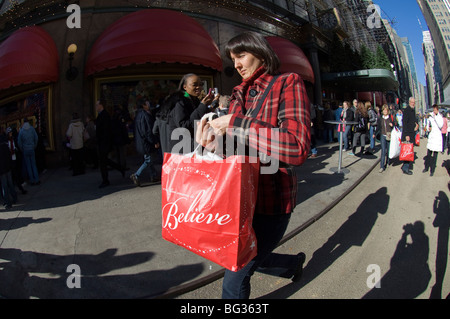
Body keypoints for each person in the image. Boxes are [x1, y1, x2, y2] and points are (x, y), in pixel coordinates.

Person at [196, 31, 309, 299]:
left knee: (234, 278)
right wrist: (214, 146)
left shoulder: (287, 83)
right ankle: (292, 264)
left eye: (241, 56)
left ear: (260, 53)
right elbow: (238, 152)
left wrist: (237, 123)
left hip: (271, 202)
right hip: (239, 201)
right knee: (251, 258)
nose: (235, 64)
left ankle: (287, 264)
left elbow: (297, 147)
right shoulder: (237, 95)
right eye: (232, 59)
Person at [158, 73, 215, 154]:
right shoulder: (179, 102)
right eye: (194, 85)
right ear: (185, 87)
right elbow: (184, 125)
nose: (198, 87)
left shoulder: (194, 100)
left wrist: (210, 107)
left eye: (200, 84)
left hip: (191, 147)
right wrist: (202, 106)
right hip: (182, 149)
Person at [95, 100, 125, 188]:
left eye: (97, 105)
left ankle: (105, 180)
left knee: (103, 162)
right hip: (102, 142)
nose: (96, 107)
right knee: (104, 160)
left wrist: (105, 142)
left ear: (101, 105)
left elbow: (106, 131)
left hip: (104, 142)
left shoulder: (105, 115)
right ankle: (119, 168)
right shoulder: (101, 115)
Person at [130, 100, 160, 186]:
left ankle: (153, 175)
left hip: (141, 142)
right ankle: (136, 175)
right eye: (147, 103)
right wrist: (154, 141)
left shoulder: (138, 115)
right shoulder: (145, 115)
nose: (149, 105)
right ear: (144, 105)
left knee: (148, 158)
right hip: (145, 142)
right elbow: (148, 131)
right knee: (148, 160)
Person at [17, 118, 40, 185]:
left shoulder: (21, 131)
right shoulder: (32, 129)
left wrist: (22, 149)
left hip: (25, 150)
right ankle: (37, 179)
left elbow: (19, 142)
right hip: (32, 148)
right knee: (33, 164)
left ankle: (32, 180)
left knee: (28, 166)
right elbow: (36, 138)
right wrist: (34, 145)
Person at [423, 105, 444, 177]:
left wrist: (435, 117)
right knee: (429, 154)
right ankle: (426, 168)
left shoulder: (440, 117)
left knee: (435, 156)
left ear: (437, 110)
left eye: (435, 109)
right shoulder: (430, 117)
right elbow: (427, 126)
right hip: (431, 137)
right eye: (433, 109)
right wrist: (429, 129)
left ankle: (432, 170)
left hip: (437, 138)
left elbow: (440, 125)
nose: (434, 111)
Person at [401, 97, 419, 175]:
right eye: (412, 102)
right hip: (407, 134)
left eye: (414, 102)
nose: (413, 104)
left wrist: (417, 125)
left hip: (412, 133)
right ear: (409, 102)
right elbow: (404, 123)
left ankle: (406, 166)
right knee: (407, 151)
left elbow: (414, 120)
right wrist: (406, 135)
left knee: (409, 150)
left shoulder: (412, 110)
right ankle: (405, 168)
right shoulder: (407, 110)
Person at [6, 127, 27, 194]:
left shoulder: (13, 140)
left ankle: (20, 188)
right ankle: (15, 190)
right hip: (10, 161)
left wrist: (15, 150)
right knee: (13, 176)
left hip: (14, 159)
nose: (11, 133)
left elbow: (14, 147)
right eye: (10, 132)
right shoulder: (7, 141)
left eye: (11, 132)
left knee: (16, 175)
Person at [0, 129, 17, 209]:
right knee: (10, 183)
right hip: (7, 165)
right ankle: (14, 198)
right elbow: (8, 152)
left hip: (1, 167)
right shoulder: (4, 139)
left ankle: (8, 202)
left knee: (4, 186)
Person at [378, 104, 395, 173]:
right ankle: (382, 166)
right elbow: (379, 127)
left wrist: (392, 125)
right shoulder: (380, 118)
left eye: (386, 110)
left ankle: (388, 161)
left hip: (389, 135)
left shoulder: (390, 118)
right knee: (383, 151)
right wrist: (374, 134)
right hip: (383, 135)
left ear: (387, 111)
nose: (385, 111)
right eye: (384, 110)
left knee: (388, 150)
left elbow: (395, 124)